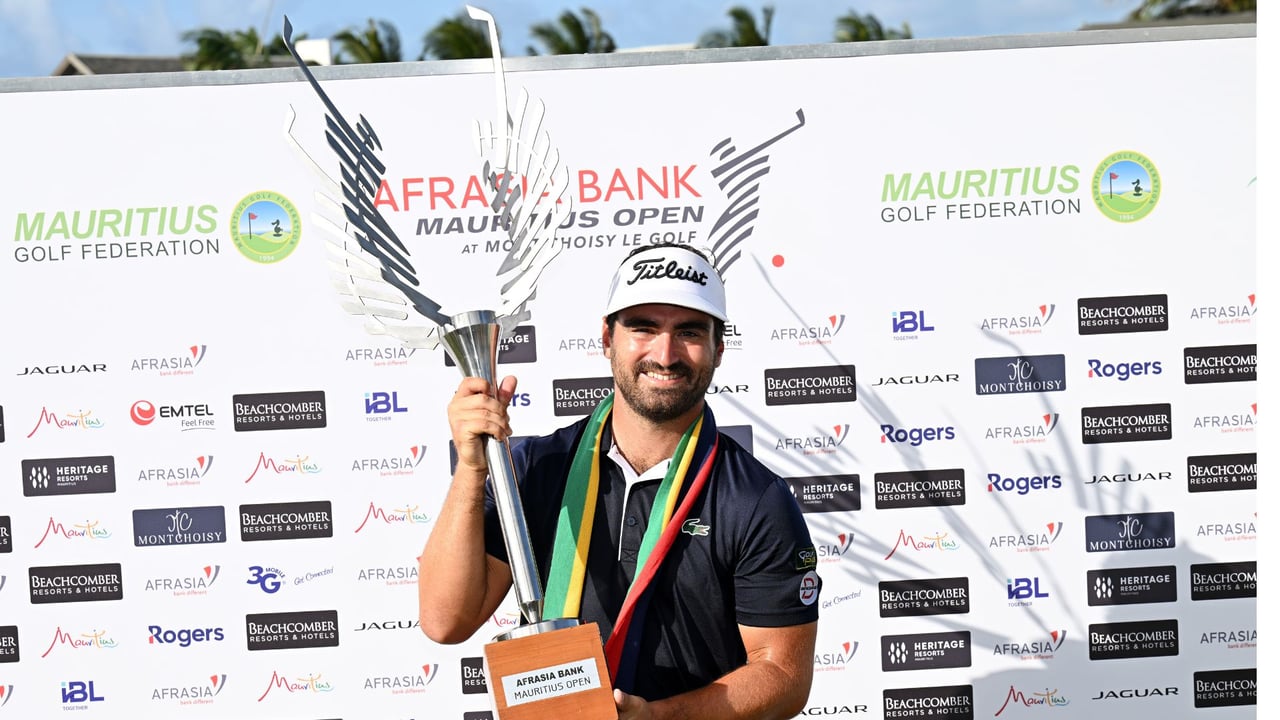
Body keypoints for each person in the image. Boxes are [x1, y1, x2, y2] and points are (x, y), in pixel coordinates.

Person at [419, 243, 820, 719]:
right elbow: (446, 621)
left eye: (689, 332)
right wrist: (472, 467)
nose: (665, 354)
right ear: (607, 338)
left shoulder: (755, 500)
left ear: (718, 350)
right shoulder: (534, 467)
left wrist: (658, 717)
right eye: (643, 328)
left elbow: (783, 676)